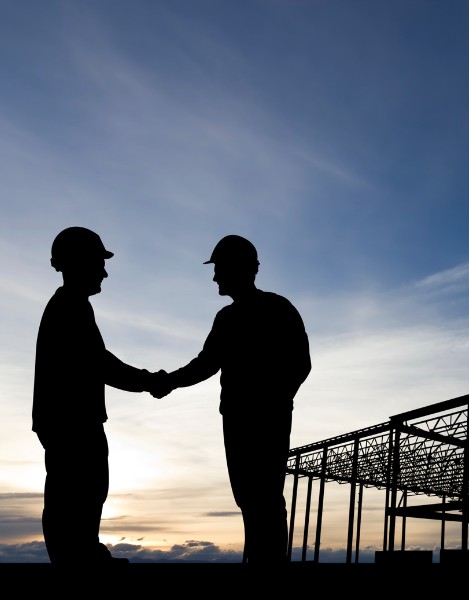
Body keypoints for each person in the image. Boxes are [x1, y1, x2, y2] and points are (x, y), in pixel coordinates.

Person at [152, 235, 311, 565]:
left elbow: (300, 363)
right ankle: (259, 560)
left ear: (242, 269)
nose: (215, 277)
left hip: (263, 418)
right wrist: (169, 381)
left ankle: (267, 564)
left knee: (264, 495)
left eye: (220, 269)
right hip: (239, 418)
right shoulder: (228, 318)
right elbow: (206, 364)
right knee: (250, 496)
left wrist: (274, 400)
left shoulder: (277, 309)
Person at [32, 226, 163, 565]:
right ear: (77, 262)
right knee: (78, 495)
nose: (104, 271)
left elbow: (99, 364)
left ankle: (83, 555)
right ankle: (79, 561)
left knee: (81, 495)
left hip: (68, 422)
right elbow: (102, 365)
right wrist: (150, 381)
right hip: (73, 423)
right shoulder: (69, 308)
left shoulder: (71, 307)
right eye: (98, 262)